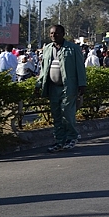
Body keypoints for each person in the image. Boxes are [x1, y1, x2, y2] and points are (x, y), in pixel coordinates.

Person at [36, 25, 87, 153]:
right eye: (51, 33)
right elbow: (43, 69)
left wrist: (82, 84)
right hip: (53, 88)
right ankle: (59, 141)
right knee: (57, 115)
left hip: (68, 87)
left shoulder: (73, 48)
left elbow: (80, 67)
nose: (53, 35)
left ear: (63, 34)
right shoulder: (47, 49)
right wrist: (38, 84)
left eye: (56, 33)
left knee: (67, 113)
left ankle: (72, 137)